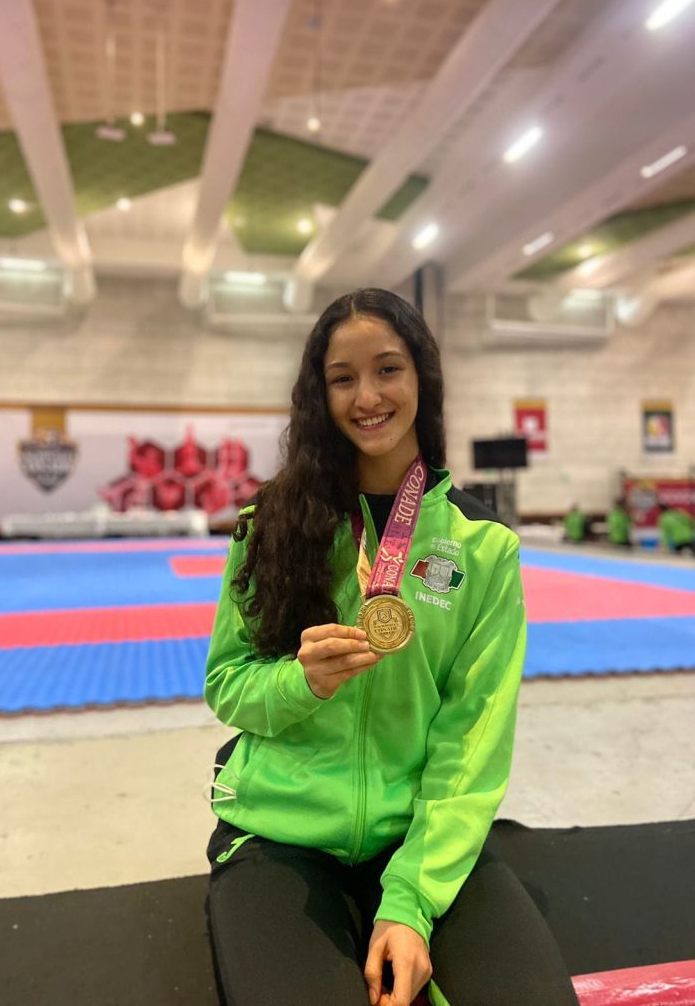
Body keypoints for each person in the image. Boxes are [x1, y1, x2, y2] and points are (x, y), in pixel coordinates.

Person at [204, 289, 579, 1006]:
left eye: (387, 369)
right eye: (342, 378)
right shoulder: (269, 525)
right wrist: (299, 684)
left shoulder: (483, 546)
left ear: (421, 379)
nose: (367, 397)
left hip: (420, 831)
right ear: (319, 395)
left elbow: (472, 734)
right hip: (281, 833)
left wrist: (409, 901)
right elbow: (227, 683)